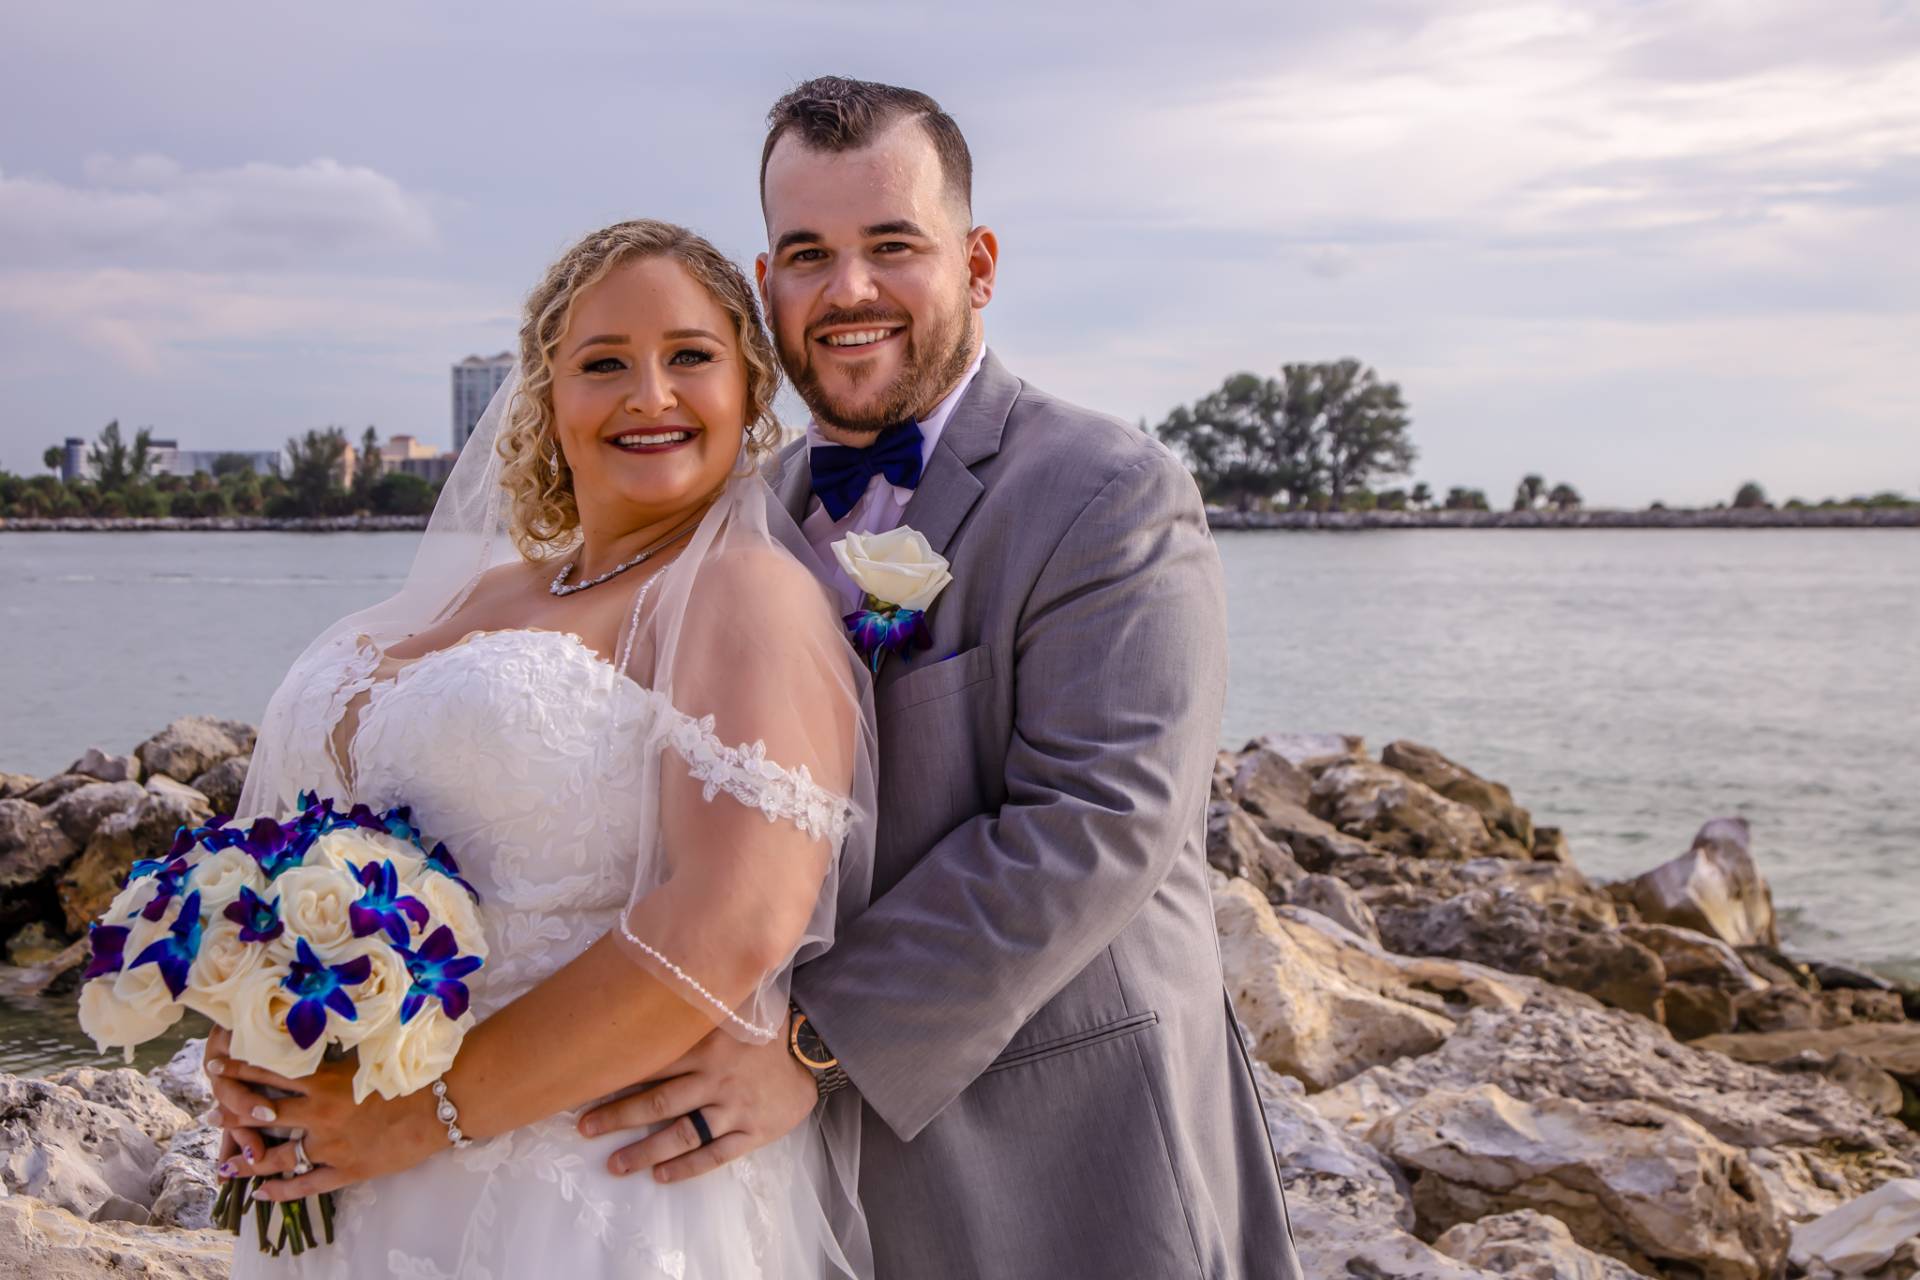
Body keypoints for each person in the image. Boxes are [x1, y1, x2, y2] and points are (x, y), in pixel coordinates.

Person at [579, 77, 1303, 1279]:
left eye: (891, 246)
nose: (847, 290)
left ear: (977, 263)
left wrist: (811, 1046)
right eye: (808, 253)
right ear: (767, 289)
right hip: (800, 1183)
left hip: (1066, 1159)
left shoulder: (1106, 491)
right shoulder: (741, 520)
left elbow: (1094, 823)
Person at [204, 219, 878, 1278]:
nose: (649, 394)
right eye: (603, 363)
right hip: (349, 1154)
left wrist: (416, 1119)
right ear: (548, 398)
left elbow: (729, 924)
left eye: (690, 357)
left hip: (569, 1185)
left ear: (751, 389)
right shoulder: (489, 592)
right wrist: (257, 1023)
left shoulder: (744, 593)